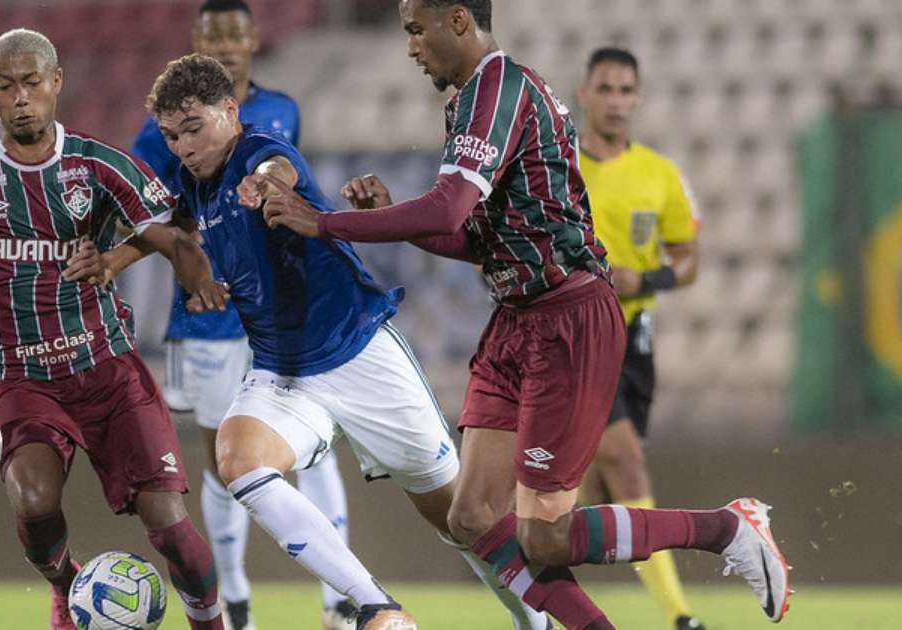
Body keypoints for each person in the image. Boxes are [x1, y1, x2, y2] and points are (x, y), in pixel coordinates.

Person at [261, 2, 791, 629]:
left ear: (459, 20)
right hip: (515, 320)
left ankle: (726, 528)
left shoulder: (499, 88)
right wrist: (391, 216)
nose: (410, 47)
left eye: (417, 29)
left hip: (568, 317)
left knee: (544, 536)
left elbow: (447, 209)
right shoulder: (468, 102)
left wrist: (324, 222)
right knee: (471, 516)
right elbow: (475, 237)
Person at [75, 52, 554, 630]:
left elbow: (280, 167)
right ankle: (376, 606)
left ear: (230, 110)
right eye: (173, 135)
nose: (184, 147)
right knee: (239, 460)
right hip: (283, 373)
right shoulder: (195, 182)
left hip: (360, 354)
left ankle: (536, 623)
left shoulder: (257, 152)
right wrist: (115, 259)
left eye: (194, 128)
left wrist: (267, 183)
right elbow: (175, 226)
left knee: (463, 520)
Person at [0, 29, 230, 630]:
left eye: (31, 83)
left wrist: (180, 275)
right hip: (19, 371)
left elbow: (175, 233)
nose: (20, 97)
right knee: (33, 500)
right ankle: (66, 584)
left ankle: (211, 623)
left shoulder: (97, 164)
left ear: (56, 82)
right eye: (6, 86)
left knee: (170, 526)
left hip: (105, 363)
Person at [130, 2, 354, 628]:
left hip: (277, 312)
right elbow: (151, 216)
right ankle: (235, 600)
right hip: (208, 316)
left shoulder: (282, 110)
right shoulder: (160, 130)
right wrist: (149, 256)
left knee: (317, 449)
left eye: (235, 33)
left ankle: (340, 601)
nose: (227, 44)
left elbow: (284, 188)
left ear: (254, 39)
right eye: (214, 35)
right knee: (225, 461)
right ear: (196, 42)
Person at [575, 46, 705, 630]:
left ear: (639, 98)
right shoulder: (561, 169)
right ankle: (681, 616)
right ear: (584, 94)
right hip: (578, 337)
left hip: (636, 338)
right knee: (626, 464)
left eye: (626, 90)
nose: (616, 101)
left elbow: (688, 260)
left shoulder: (660, 174)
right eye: (605, 88)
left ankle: (529, 577)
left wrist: (645, 280)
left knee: (590, 493)